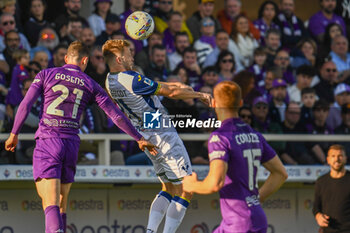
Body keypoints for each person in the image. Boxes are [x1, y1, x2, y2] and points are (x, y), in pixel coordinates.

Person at [4, 41, 157, 233]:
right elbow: (115, 115)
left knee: (49, 201)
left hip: (49, 140)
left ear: (66, 58)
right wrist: (139, 138)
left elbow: (25, 104)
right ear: (84, 61)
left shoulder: (46, 74)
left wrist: (14, 133)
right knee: (61, 203)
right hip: (71, 144)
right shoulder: (91, 84)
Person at [102, 39, 211, 233]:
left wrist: (179, 85)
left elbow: (160, 86)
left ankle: (150, 231)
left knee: (167, 188)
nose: (132, 57)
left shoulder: (110, 80)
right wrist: (199, 95)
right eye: (128, 53)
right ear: (119, 59)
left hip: (147, 135)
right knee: (186, 189)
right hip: (163, 134)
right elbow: (171, 92)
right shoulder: (131, 79)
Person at [182, 80, 288, 233]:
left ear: (214, 103)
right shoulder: (255, 135)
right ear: (240, 102)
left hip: (239, 223)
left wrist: (191, 185)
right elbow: (280, 173)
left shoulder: (220, 137)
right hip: (254, 218)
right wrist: (256, 200)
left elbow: (214, 183)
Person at [313, 144, 350, 232]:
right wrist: (318, 216)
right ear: (328, 160)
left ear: (346, 158)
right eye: (333, 156)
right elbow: (316, 207)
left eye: (340, 156)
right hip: (328, 230)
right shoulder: (321, 181)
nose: (337, 159)